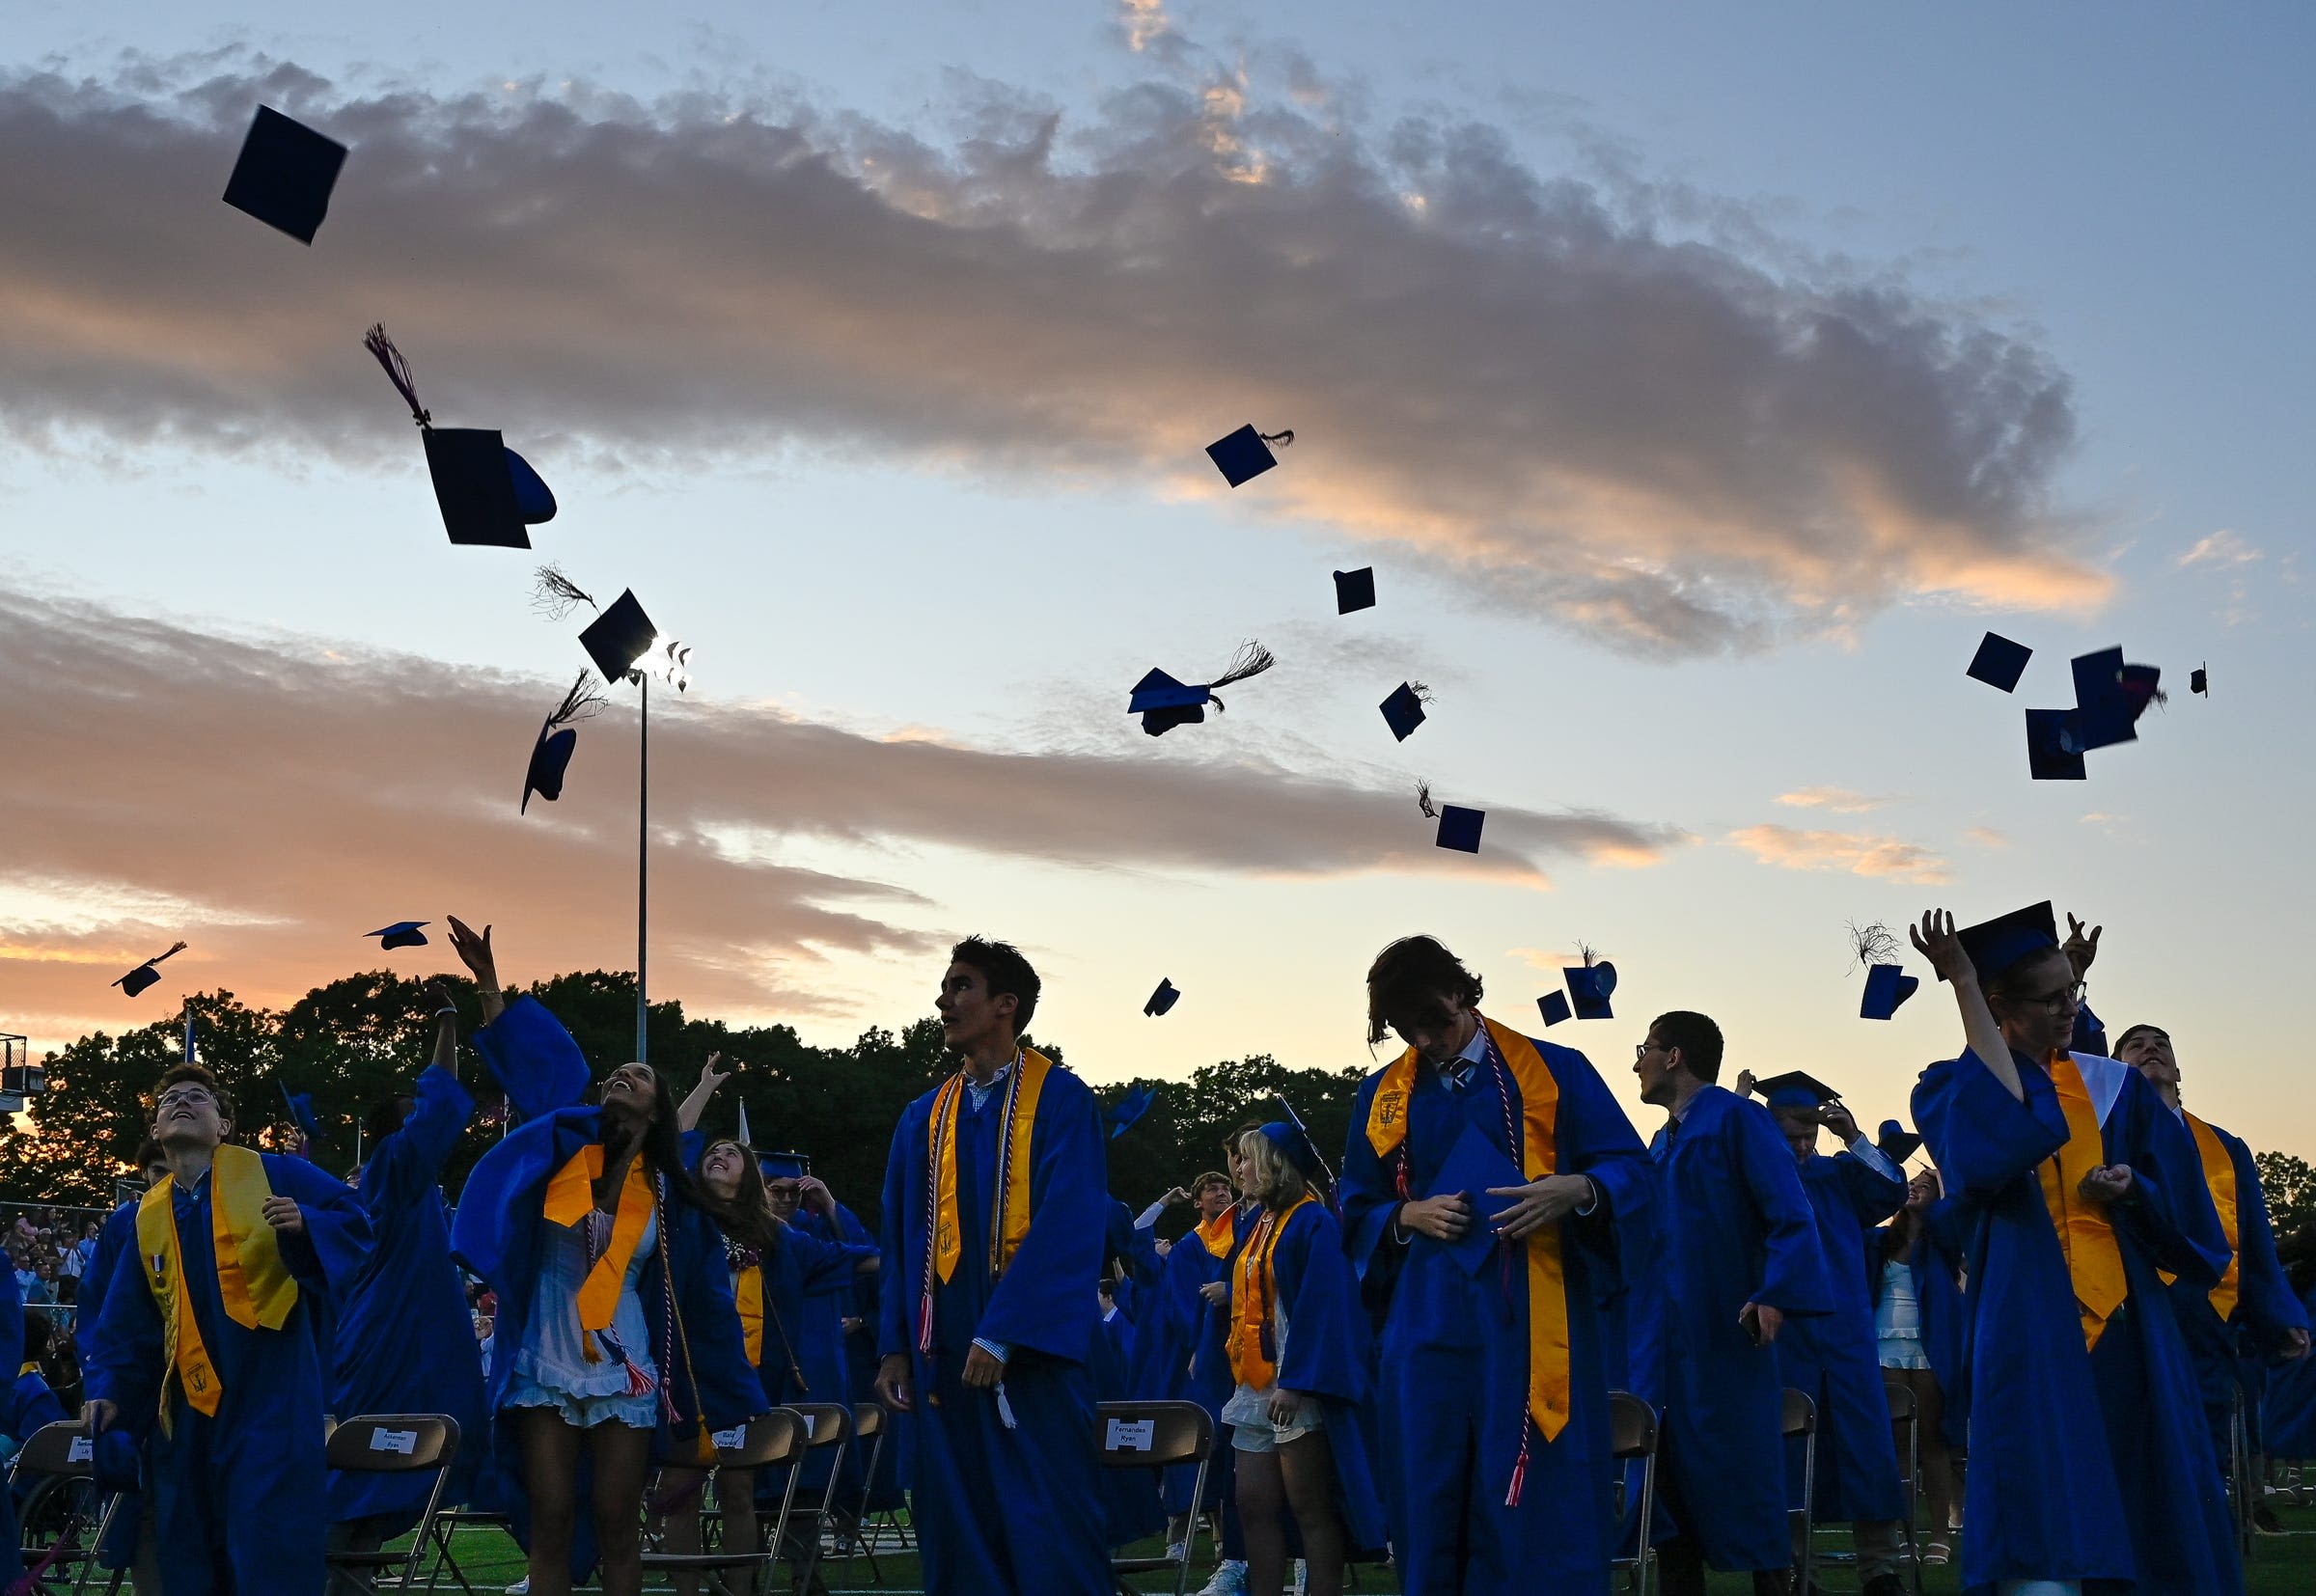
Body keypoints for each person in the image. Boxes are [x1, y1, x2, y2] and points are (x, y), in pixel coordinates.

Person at [1909, 905, 2239, 1596]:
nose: (2072, 1009)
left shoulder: (2112, 1088)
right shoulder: (1946, 1089)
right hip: (2030, 1315)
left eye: (2074, 993)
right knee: (2043, 1491)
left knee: (2144, 1482)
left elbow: (2185, 1202)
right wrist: (1963, 982)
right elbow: (1994, 1152)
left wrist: (2134, 1188)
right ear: (2003, 1007)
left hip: (2124, 1317)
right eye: (2053, 998)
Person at [445, 921, 762, 1596]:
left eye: (638, 1075)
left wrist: (731, 1394)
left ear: (658, 1108)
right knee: (552, 1521)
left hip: (628, 1368)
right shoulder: (563, 1154)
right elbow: (534, 1075)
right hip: (545, 1355)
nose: (622, 1075)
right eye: (617, 1073)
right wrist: (489, 984)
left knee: (620, 1523)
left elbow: (704, 1299)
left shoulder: (671, 1194)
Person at [1337, 936, 1652, 1596]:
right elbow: (1355, 1207)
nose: (1426, 1042)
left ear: (1461, 993)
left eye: (1436, 1022)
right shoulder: (1383, 1096)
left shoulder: (1555, 1071)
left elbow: (1634, 1172)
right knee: (1431, 1487)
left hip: (1534, 1323)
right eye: (1407, 1030)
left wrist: (1580, 1189)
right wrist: (1405, 1217)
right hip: (1426, 1327)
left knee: (1538, 1495)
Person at [872, 936, 1111, 1596]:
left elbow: (1071, 1225)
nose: (944, 1000)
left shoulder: (1062, 1102)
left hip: (1030, 1356)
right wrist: (895, 1345)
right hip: (941, 1351)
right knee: (958, 1517)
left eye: (961, 986)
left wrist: (1005, 1330)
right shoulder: (922, 1117)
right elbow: (902, 1238)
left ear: (1005, 1005)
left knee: (1047, 1515)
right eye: (946, 986)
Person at [82, 1060, 372, 1596]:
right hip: (186, 1418)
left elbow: (359, 1221)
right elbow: (127, 1326)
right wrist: (109, 1393)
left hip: (271, 1403)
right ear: (154, 1130)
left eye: (199, 1097)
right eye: (170, 1100)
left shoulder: (275, 1173)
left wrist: (311, 1225)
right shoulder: (147, 1216)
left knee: (269, 1551)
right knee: (190, 1553)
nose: (182, 1102)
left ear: (223, 1127)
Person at [1630, 1011, 1831, 1596]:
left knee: (1742, 1470)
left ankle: (1775, 1582)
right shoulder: (1662, 1139)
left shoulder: (1738, 1119)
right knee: (1668, 1481)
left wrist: (1774, 1292)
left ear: (1674, 1057)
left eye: (1645, 1048)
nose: (1636, 1061)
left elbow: (1789, 1212)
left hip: (1725, 1333)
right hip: (1667, 1339)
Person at [661, 1133, 875, 1591]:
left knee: (739, 1493)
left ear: (750, 1179)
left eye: (732, 1154)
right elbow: (667, 1152)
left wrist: (925, 1254)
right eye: (712, 1153)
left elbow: (858, 1259)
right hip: (687, 1377)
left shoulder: (778, 1238)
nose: (718, 1155)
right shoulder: (682, 1220)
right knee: (680, 1493)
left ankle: (742, 1591)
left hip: (743, 1383)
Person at [329, 982, 491, 1565]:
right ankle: (346, 1571)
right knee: (376, 1464)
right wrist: (448, 1023)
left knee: (378, 1468)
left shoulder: (401, 1186)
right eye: (412, 1117)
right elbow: (441, 1101)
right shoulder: (395, 1169)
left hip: (391, 1327)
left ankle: (353, 1570)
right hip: (398, 1334)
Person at [2114, 1022, 2312, 1486]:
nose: (2151, 1050)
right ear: (2115, 1069)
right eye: (2135, 1047)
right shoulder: (2106, 1135)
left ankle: (2208, 1536)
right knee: (2139, 1427)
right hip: (2135, 1298)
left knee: (2206, 1431)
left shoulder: (2225, 1147)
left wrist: (2280, 1311)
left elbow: (2255, 1239)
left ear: (2179, 1070)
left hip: (2207, 1305)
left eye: (2161, 1045)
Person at [1738, 1073, 1909, 1596]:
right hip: (1785, 1334)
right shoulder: (1751, 1178)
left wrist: (1853, 1137)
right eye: (1791, 1138)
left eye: (1809, 1136)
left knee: (1868, 1446)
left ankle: (1879, 1569)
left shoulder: (1837, 1175)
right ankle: (1799, 1572)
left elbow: (1890, 1190)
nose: (1803, 1147)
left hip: (1847, 1332)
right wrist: (1739, 1108)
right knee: (1789, 1451)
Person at [1220, 1122, 1385, 1596]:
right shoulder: (1257, 1222)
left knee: (1310, 1508)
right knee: (1253, 1503)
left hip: (1296, 1385)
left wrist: (1297, 1382)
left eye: (1249, 1159)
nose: (1241, 1169)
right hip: (1254, 1386)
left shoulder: (1314, 1221)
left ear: (1274, 1165)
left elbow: (1324, 1308)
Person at [1129, 1169, 1243, 1563]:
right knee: (1194, 1442)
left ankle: (1227, 1542)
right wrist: (1200, 1346)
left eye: (1225, 1187)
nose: (1220, 1192)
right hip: (1202, 1359)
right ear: (1197, 1202)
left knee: (1236, 1445)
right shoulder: (1189, 1247)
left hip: (1240, 1355)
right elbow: (1182, 1303)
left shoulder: (1242, 1235)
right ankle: (1179, 1534)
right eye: (1211, 1189)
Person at [1869, 1169, 1967, 1565]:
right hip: (1883, 1341)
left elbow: (1956, 1225)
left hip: (1928, 1344)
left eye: (1925, 1185)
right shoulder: (1882, 1239)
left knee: (1931, 1441)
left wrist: (1938, 1203)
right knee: (1896, 1444)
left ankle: (1940, 1537)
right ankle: (1903, 1537)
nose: (1915, 1188)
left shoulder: (1942, 1239)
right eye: (1912, 1183)